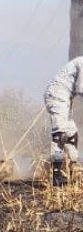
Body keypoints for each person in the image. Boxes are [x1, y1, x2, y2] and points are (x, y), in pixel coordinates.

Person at [44, 56, 83, 187]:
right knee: (59, 135)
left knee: (72, 135)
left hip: (65, 101)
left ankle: (75, 167)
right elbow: (81, 89)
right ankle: (56, 174)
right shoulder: (82, 63)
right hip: (57, 97)